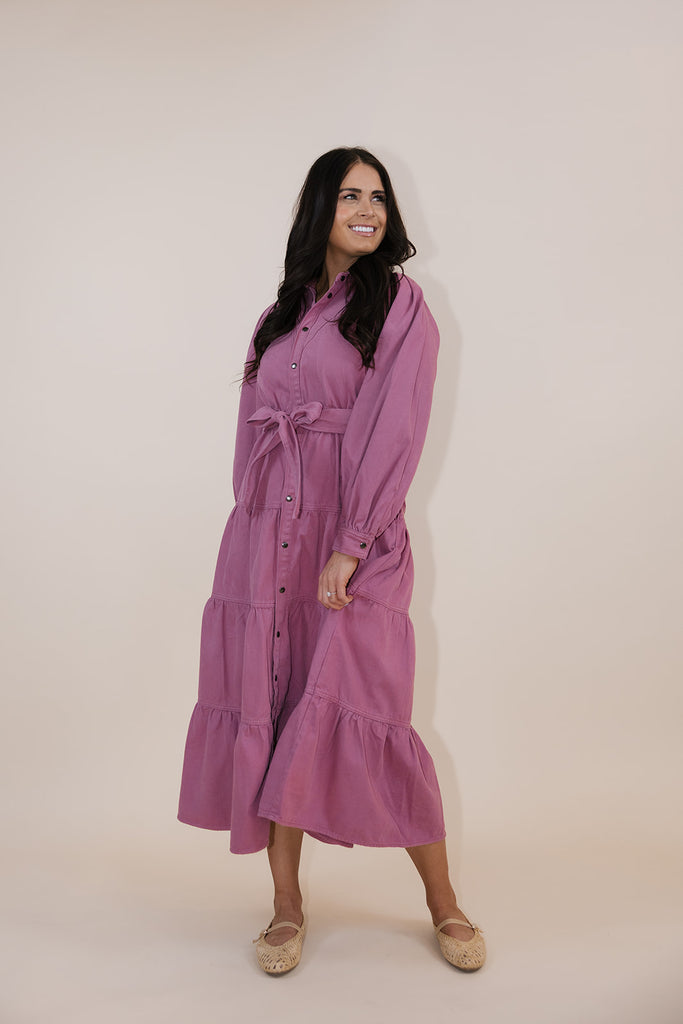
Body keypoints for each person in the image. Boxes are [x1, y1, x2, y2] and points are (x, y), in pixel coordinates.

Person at [178, 147, 486, 975]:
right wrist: (251, 521)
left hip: (353, 533)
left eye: (377, 197)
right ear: (320, 208)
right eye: (351, 195)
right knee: (275, 703)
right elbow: (250, 428)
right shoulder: (277, 315)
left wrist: (351, 542)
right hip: (266, 534)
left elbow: (396, 427)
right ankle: (285, 906)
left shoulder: (399, 303)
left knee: (371, 709)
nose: (368, 209)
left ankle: (444, 902)